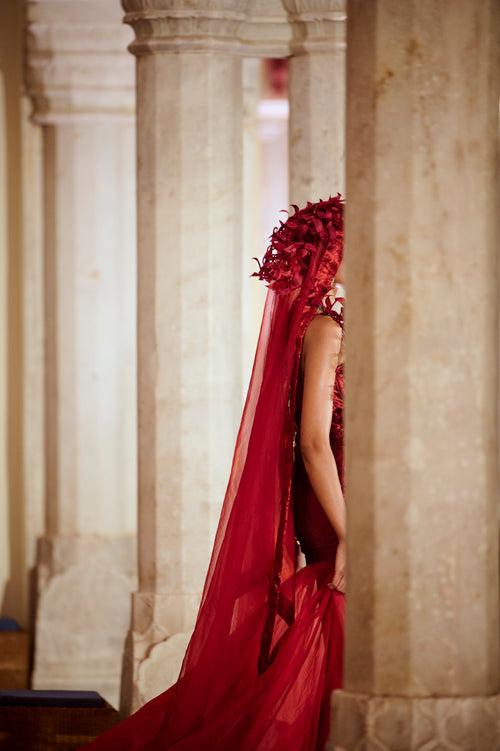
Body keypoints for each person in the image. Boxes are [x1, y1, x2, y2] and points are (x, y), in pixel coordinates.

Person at [80, 193, 346, 751]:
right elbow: (315, 442)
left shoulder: (358, 328)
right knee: (334, 622)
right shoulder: (328, 329)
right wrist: (353, 534)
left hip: (354, 498)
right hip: (333, 502)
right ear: (333, 256)